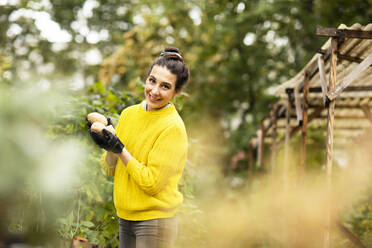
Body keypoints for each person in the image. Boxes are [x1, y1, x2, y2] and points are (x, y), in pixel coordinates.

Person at [87, 47, 190, 248]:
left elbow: (151, 183)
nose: (154, 91)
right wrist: (109, 146)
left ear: (176, 92)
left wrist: (120, 150)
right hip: (125, 218)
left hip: (155, 222)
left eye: (165, 86)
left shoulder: (172, 127)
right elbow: (110, 170)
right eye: (152, 80)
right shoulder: (128, 114)